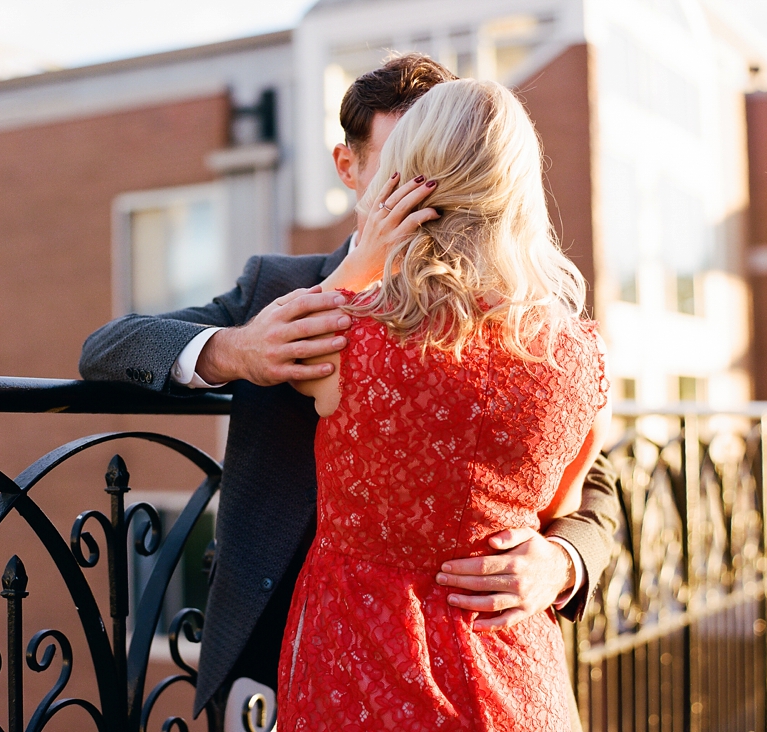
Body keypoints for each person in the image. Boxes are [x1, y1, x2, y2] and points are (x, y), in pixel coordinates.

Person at [78, 54, 620, 723]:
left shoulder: (538, 326)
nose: (425, 195)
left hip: (482, 651)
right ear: (352, 170)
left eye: (443, 165)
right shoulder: (279, 290)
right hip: (282, 659)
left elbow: (596, 483)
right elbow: (106, 347)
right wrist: (234, 350)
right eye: (405, 170)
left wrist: (561, 562)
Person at [277, 77, 611, 730]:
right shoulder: (582, 356)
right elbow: (561, 509)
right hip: (514, 676)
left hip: (360, 677)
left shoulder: (344, 336)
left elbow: (281, 338)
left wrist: (365, 257)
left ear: (408, 177)